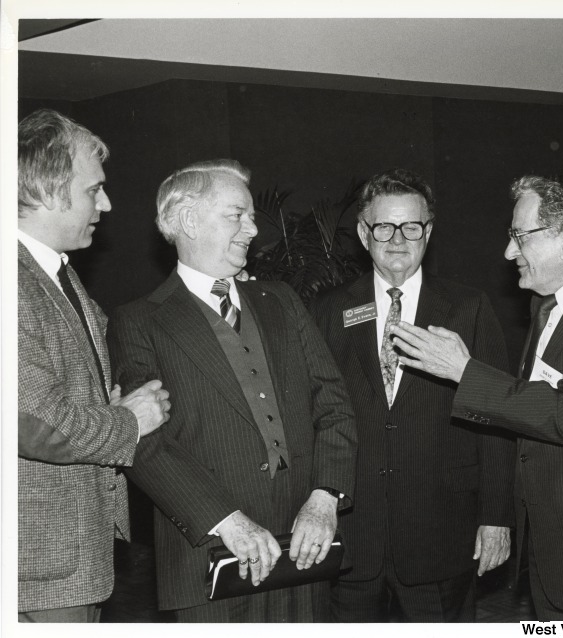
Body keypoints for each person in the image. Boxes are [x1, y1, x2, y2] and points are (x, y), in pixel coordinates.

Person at [390, 173, 563, 621]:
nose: (508, 252)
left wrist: (464, 371)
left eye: (520, 236)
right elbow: (528, 407)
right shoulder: (549, 302)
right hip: (554, 548)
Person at [106, 159, 357, 622]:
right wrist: (228, 522)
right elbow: (144, 440)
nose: (252, 229)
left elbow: (335, 404)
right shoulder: (138, 321)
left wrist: (325, 498)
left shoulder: (281, 300)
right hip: (209, 554)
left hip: (304, 543)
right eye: (236, 214)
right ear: (187, 220)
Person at [311, 168, 515, 622]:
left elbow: (498, 418)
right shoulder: (330, 310)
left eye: (412, 226)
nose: (398, 238)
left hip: (441, 532)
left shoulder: (469, 307)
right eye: (384, 226)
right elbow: (316, 416)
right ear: (365, 234)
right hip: (354, 537)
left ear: (429, 232)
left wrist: (497, 515)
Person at [17, 108, 171, 622]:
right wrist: (129, 421)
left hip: (71, 559)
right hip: (36, 571)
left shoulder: (55, 273)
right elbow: (38, 423)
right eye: (92, 190)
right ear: (46, 190)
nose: (105, 203)